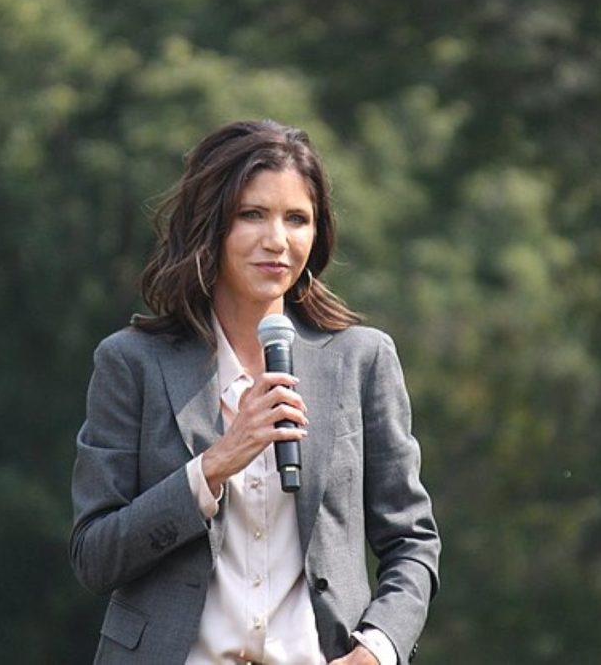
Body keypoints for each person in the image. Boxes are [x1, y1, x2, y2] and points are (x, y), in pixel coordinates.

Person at [70, 120, 440, 664]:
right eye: (252, 215)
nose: (277, 241)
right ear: (210, 225)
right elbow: (94, 556)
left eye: (297, 219)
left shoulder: (362, 359)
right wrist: (213, 466)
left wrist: (377, 648)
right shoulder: (131, 363)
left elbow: (412, 542)